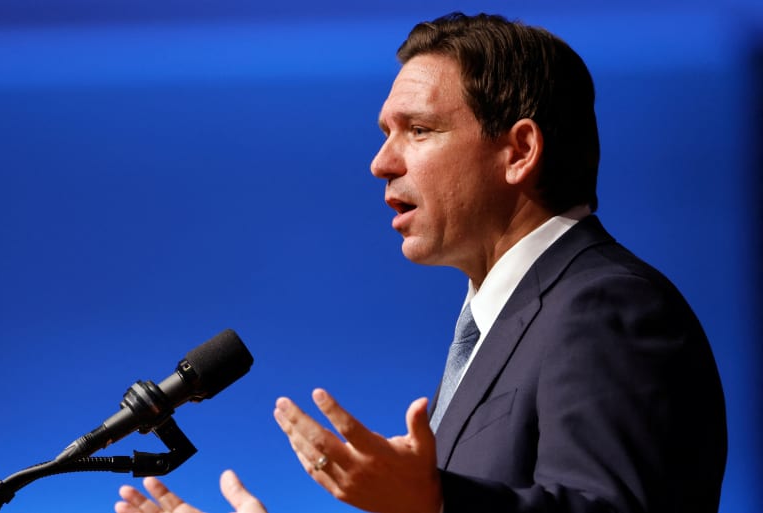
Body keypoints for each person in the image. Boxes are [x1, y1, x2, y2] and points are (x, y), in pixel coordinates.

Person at [115, 11, 727, 513]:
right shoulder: (500, 326)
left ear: (518, 151)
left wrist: (434, 504)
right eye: (386, 132)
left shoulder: (605, 304)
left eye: (419, 130)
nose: (381, 163)